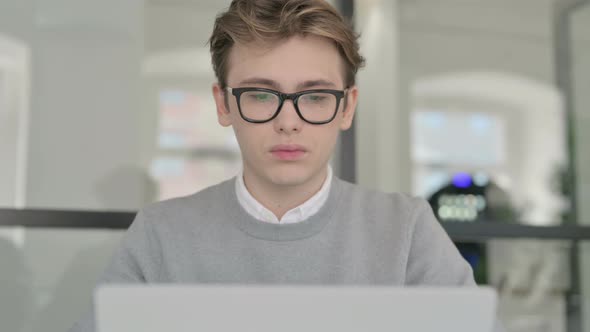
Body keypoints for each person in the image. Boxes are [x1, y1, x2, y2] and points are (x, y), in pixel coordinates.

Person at [69, 0, 485, 331]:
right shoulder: (159, 235)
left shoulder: (407, 231)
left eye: (316, 96)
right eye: (262, 95)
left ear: (347, 107)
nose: (289, 122)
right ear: (223, 103)